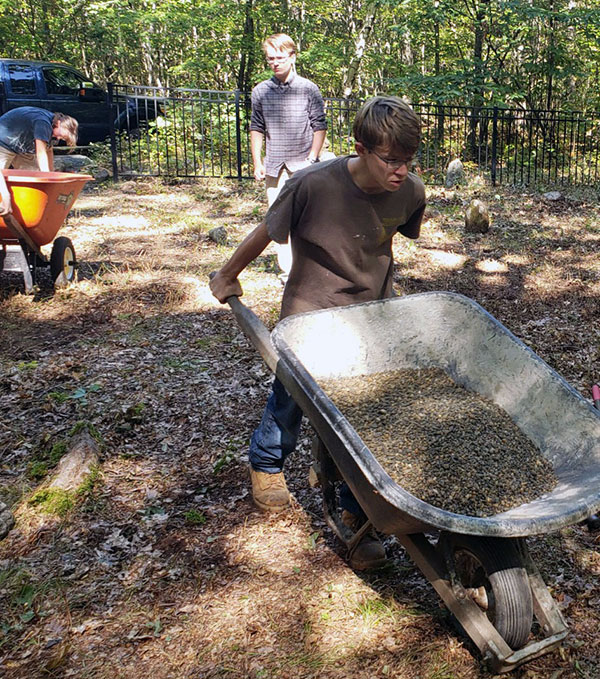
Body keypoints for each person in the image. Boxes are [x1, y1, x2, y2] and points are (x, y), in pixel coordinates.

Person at [211, 96, 426, 569]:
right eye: (391, 159)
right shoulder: (312, 185)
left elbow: (388, 238)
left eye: (408, 160)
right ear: (361, 148)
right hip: (312, 312)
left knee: (364, 414)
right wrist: (227, 274)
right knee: (293, 396)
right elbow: (267, 231)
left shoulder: (411, 191)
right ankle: (267, 464)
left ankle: (354, 512)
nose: (401, 170)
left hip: (371, 315)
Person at [250, 33, 327, 280]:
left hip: (304, 165)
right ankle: (289, 272)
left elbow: (319, 125)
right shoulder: (261, 91)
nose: (275, 63)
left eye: (280, 57)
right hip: (274, 166)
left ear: (292, 56)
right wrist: (257, 162)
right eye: (270, 58)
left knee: (310, 218)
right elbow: (256, 127)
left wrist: (313, 159)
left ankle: (311, 268)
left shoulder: (308, 89)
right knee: (278, 220)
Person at [0, 107, 78, 214]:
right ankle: (5, 201)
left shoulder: (52, 126)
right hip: (3, 141)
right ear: (59, 123)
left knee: (33, 178)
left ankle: (29, 211)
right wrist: (47, 177)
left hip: (22, 147)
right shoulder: (43, 123)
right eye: (60, 135)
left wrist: (51, 177)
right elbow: (41, 153)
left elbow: (48, 151)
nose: (59, 138)